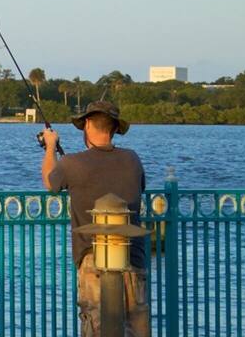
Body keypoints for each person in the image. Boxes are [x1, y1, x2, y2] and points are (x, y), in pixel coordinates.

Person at [41, 101, 150, 336]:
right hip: (134, 254)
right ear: (114, 129)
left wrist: (50, 146)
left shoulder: (72, 163)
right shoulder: (133, 159)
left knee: (96, 322)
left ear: (88, 124)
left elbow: (51, 182)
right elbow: (138, 186)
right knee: (137, 323)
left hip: (93, 256)